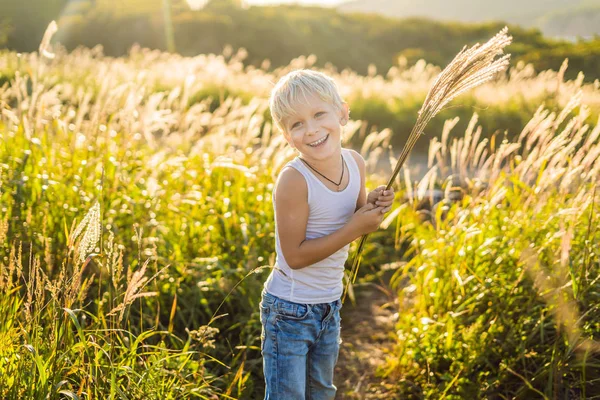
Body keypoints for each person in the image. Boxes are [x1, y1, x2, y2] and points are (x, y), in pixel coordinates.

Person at [260, 69, 395, 399]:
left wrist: (372, 205)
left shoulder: (355, 163)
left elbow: (353, 218)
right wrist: (355, 226)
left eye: (319, 114)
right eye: (297, 124)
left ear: (343, 113)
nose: (312, 129)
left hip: (329, 304)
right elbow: (295, 256)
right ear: (286, 137)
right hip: (289, 310)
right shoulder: (294, 180)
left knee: (322, 391)